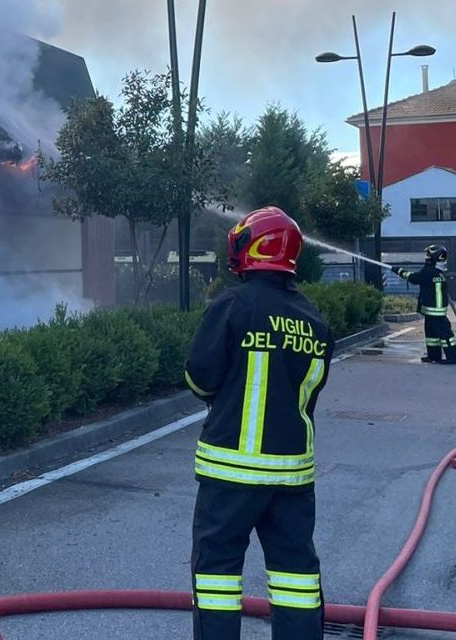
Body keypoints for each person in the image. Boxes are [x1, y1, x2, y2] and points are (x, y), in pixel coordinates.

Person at [183, 207, 333, 640]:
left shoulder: (232, 306)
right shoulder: (314, 320)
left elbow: (199, 377)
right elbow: (310, 391)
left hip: (230, 471)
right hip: (292, 477)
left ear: (252, 247)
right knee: (296, 577)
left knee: (217, 575)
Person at [391, 244, 456, 364]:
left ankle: (453, 358)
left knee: (445, 335)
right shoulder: (437, 272)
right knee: (432, 336)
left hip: (435, 312)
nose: (426, 258)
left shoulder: (429, 272)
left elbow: (413, 278)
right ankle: (434, 356)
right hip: (433, 311)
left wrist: (398, 270)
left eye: (428, 255)